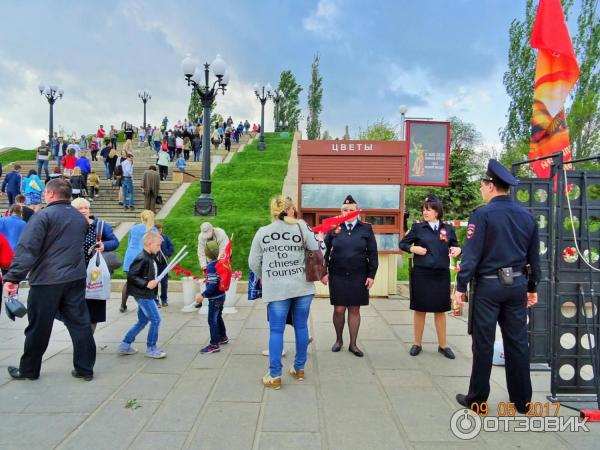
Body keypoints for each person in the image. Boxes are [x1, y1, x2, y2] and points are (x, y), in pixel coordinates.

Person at [454, 159, 541, 414]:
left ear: (491, 186)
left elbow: (471, 255)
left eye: (483, 184)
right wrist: (532, 287)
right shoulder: (526, 216)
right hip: (517, 286)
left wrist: (460, 287)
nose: (481, 189)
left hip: (489, 288)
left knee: (483, 343)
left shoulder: (482, 214)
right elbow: (534, 257)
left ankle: (478, 400)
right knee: (517, 342)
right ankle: (523, 401)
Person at [3, 178, 96, 381]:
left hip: (47, 281)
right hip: (75, 278)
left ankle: (29, 371)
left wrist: (12, 278)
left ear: (51, 194)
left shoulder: (42, 216)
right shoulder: (80, 218)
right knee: (80, 323)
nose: (44, 195)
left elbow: (27, 249)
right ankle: (84, 369)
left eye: (45, 193)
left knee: (38, 327)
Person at [249, 196, 319, 389]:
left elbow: (253, 263)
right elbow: (317, 248)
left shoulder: (263, 232)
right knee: (302, 327)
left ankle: (274, 375)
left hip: (277, 288)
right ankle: (299, 368)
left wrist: (264, 276)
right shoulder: (302, 227)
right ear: (290, 210)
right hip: (302, 286)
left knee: (276, 330)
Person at [399, 195, 461, 359]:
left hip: (441, 274)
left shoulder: (447, 229)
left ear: (437, 210)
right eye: (424, 208)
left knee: (440, 310)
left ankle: (443, 345)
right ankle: (417, 343)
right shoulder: (418, 228)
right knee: (420, 309)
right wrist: (413, 249)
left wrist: (457, 250)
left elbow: (455, 245)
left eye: (429, 208)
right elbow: (403, 243)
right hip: (422, 273)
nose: (425, 212)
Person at [322, 195, 378, 357]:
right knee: (339, 309)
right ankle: (339, 340)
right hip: (337, 274)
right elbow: (324, 251)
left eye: (351, 210)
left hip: (358, 275)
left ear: (357, 211)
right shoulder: (334, 227)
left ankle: (353, 344)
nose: (348, 212)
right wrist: (323, 272)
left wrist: (371, 274)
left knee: (354, 309)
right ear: (341, 211)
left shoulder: (366, 229)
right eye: (345, 210)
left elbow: (373, 254)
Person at [71, 197, 119, 332]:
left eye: (86, 208)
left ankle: (88, 337)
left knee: (93, 306)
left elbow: (115, 242)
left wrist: (105, 245)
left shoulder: (100, 225)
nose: (83, 211)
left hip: (94, 273)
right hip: (75, 272)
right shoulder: (69, 225)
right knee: (75, 307)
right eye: (79, 208)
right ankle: (80, 335)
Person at [117, 231, 167, 359]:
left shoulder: (150, 256)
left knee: (143, 320)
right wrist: (146, 284)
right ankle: (151, 348)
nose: (159, 248)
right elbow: (131, 276)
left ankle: (125, 345)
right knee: (156, 319)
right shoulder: (142, 257)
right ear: (149, 244)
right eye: (158, 245)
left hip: (146, 293)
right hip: (144, 294)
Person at [121, 210, 157, 312]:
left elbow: (129, 243)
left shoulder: (134, 228)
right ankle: (145, 306)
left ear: (141, 218)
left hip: (130, 257)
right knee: (145, 282)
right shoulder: (153, 230)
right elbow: (154, 247)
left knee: (129, 282)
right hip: (143, 258)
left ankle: (123, 305)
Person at [198, 240, 228, 353]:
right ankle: (223, 337)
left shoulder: (211, 266)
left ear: (206, 254)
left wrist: (203, 295)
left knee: (212, 320)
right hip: (221, 295)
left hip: (214, 298)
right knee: (218, 317)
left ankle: (214, 344)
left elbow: (212, 285)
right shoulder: (219, 262)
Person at [155, 222, 173, 307]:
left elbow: (171, 247)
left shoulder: (165, 237)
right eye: (157, 229)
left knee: (164, 283)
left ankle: (164, 299)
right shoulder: (152, 238)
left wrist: (168, 254)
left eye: (160, 229)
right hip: (155, 263)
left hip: (164, 264)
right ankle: (155, 300)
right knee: (155, 282)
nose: (159, 231)